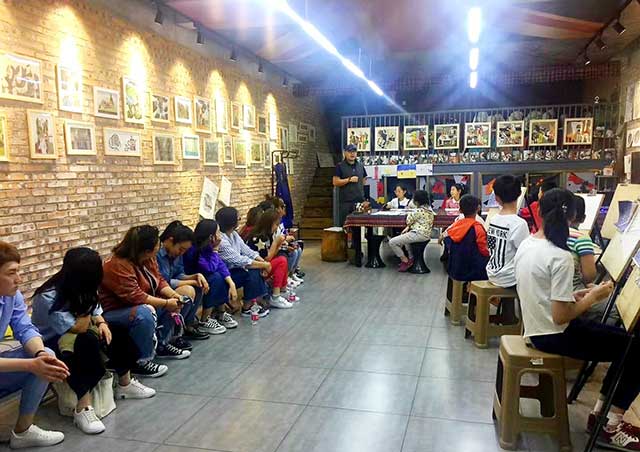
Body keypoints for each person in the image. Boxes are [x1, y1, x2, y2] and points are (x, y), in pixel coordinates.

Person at [514, 188, 640, 450]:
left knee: (627, 342)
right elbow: (561, 316)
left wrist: (574, 295)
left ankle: (602, 415)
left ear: (539, 212)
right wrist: (593, 297)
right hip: (553, 335)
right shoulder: (559, 256)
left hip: (536, 328)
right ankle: (609, 424)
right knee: (635, 348)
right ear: (573, 217)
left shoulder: (529, 243)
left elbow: (541, 292)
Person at [32, 247, 155, 435]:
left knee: (116, 331)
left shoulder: (83, 287)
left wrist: (102, 323)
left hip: (78, 332)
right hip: (49, 343)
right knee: (86, 342)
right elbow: (78, 327)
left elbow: (95, 310)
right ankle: (83, 407)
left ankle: (125, 384)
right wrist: (88, 306)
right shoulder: (48, 296)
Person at [0, 241, 69, 449]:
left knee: (47, 356)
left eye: (18, 271)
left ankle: (23, 431)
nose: (19, 279)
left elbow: (25, 328)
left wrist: (39, 354)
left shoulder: (11, 296)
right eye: (11, 273)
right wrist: (30, 365)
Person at [99, 225, 189, 375]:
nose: (159, 248)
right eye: (157, 246)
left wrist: (174, 296)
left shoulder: (148, 258)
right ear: (146, 250)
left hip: (138, 304)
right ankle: (141, 361)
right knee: (145, 312)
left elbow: (159, 281)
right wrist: (166, 303)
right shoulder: (117, 265)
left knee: (174, 302)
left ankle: (162, 345)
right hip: (114, 311)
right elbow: (135, 296)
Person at [156, 221, 211, 347]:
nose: (181, 253)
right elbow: (163, 282)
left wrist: (196, 276)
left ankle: (187, 326)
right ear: (170, 241)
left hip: (168, 287)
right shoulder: (157, 255)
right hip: (160, 291)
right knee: (187, 291)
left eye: (185, 250)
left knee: (198, 286)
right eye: (181, 249)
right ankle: (169, 336)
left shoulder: (177, 254)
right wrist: (191, 281)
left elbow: (179, 274)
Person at [183, 219, 241, 332]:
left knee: (223, 276)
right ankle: (204, 320)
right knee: (216, 277)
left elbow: (220, 264)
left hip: (205, 276)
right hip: (192, 278)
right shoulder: (193, 250)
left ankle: (221, 313)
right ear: (211, 236)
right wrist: (215, 250)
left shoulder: (207, 246)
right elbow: (209, 268)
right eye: (218, 232)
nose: (220, 236)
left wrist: (231, 283)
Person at [215, 207, 272, 317]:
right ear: (231, 221)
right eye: (238, 218)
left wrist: (263, 262)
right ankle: (248, 307)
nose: (240, 219)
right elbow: (239, 260)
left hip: (233, 271)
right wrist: (264, 265)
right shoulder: (221, 240)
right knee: (251, 272)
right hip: (224, 275)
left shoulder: (234, 234)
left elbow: (247, 251)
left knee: (255, 268)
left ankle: (254, 302)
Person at [486, 175, 530, 288]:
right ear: (519, 194)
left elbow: (490, 247)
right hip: (510, 278)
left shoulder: (493, 219)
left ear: (496, 198)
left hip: (492, 273)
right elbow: (525, 255)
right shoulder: (519, 224)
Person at [248, 209, 297, 307]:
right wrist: (276, 242)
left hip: (264, 265)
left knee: (283, 258)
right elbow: (267, 258)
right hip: (256, 267)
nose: (277, 227)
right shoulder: (258, 238)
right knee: (281, 261)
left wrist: (281, 245)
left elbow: (272, 254)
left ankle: (282, 289)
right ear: (268, 224)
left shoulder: (268, 235)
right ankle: (276, 296)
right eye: (276, 225)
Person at [444, 194, 490, 282]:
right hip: (474, 271)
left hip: (455, 269)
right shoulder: (478, 227)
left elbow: (448, 241)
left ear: (460, 210)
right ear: (478, 208)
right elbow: (484, 250)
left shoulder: (455, 225)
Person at [388, 190, 434, 272]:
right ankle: (411, 258)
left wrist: (410, 210)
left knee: (392, 242)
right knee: (406, 237)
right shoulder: (429, 210)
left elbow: (408, 220)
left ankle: (405, 260)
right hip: (426, 234)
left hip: (418, 234)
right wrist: (408, 227)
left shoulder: (418, 211)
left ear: (416, 201)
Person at [270, 196, 304, 287]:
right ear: (277, 209)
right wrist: (285, 242)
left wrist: (287, 239)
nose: (284, 208)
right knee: (292, 253)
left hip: (280, 245)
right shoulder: (273, 222)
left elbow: (282, 234)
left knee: (298, 248)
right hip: (276, 248)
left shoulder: (280, 221)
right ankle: (285, 278)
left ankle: (291, 274)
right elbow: (276, 239)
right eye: (282, 206)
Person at [333, 144, 368, 226]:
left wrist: (365, 198)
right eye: (350, 152)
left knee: (360, 227)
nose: (352, 154)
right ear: (345, 153)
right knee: (346, 226)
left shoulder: (360, 166)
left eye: (354, 152)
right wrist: (348, 180)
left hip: (359, 202)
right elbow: (335, 182)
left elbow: (364, 180)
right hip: (345, 203)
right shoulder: (340, 166)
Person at [568, 195, 597, 290]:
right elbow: (589, 277)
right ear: (583, 218)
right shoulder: (581, 238)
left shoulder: (547, 233)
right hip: (571, 290)